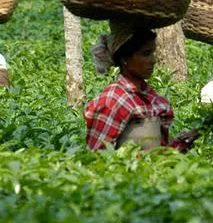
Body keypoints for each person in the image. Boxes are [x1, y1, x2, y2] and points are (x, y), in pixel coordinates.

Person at [85, 21, 199, 152]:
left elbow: (161, 153)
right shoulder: (114, 99)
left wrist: (191, 136)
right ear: (124, 59)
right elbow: (98, 156)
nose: (153, 60)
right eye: (146, 54)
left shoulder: (151, 98)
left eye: (152, 53)